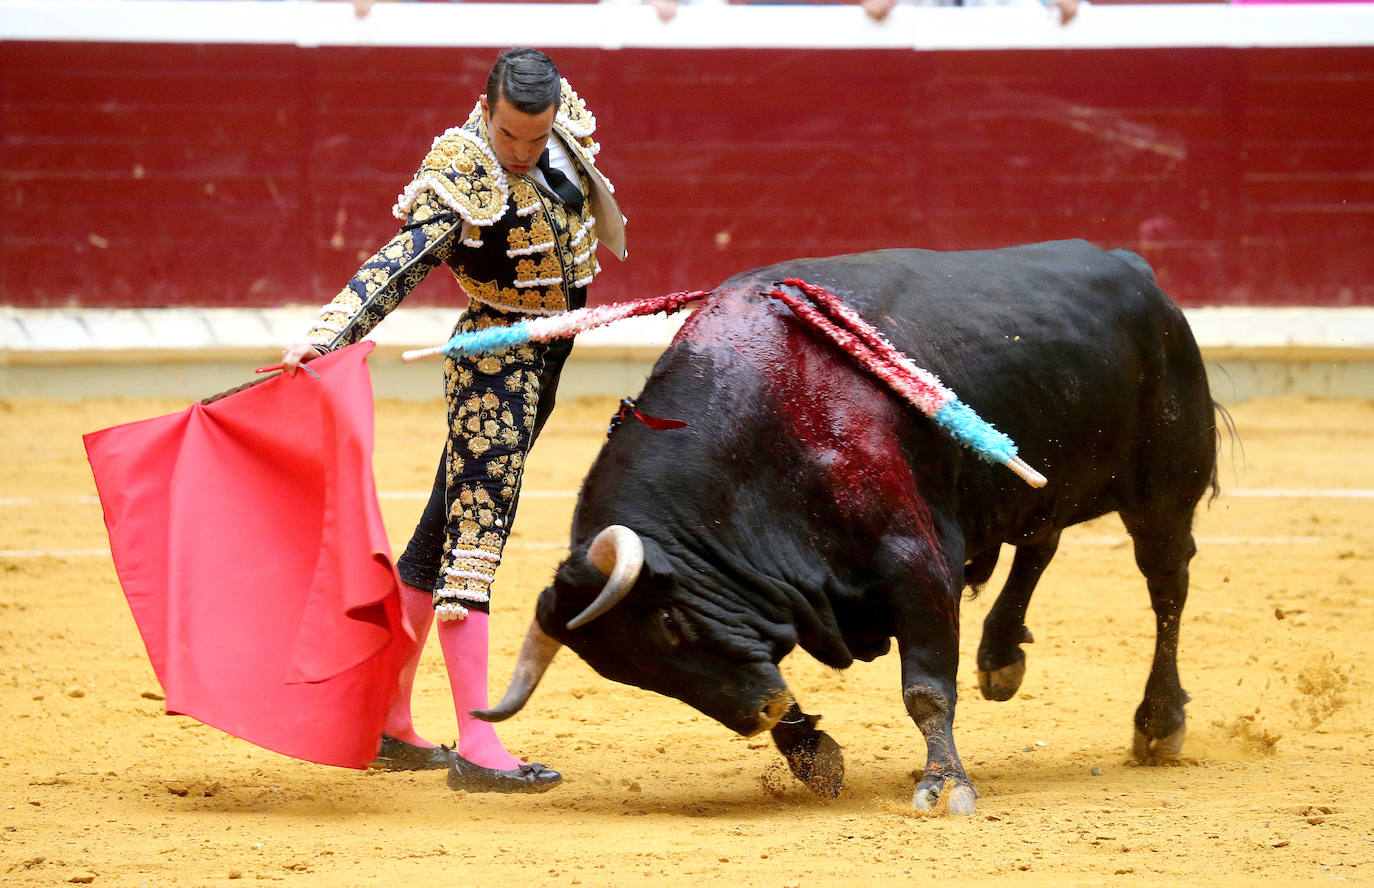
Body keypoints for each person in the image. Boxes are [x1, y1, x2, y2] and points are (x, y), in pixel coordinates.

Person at [280, 47, 626, 793]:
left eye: (536, 139)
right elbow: (398, 262)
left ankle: (388, 718)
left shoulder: (558, 127)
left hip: (546, 358)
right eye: (511, 138)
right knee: (474, 544)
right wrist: (330, 332)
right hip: (492, 368)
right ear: (486, 108)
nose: (524, 154)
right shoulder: (463, 169)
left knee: (437, 536)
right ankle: (477, 743)